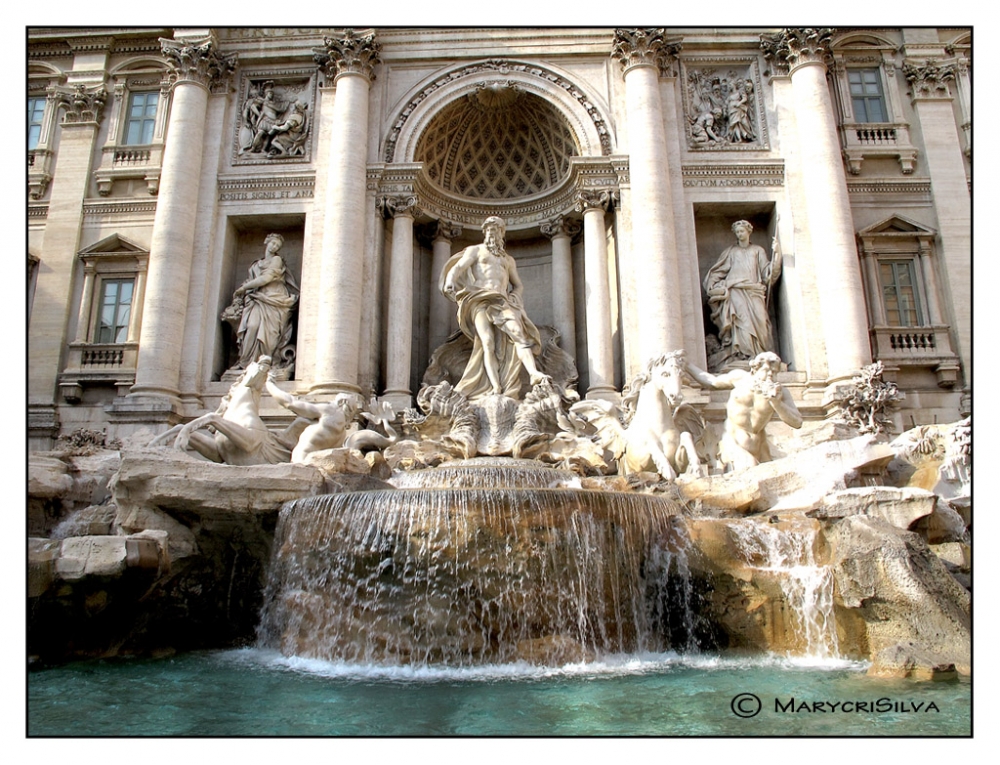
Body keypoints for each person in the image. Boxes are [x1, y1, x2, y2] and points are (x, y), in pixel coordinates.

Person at [440, 216, 551, 400]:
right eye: (489, 229)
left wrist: (514, 298)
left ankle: (533, 373)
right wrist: (450, 281)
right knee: (487, 342)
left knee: (519, 334)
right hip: (479, 300)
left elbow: (518, 285)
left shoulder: (507, 260)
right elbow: (459, 266)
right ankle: (496, 387)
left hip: (501, 301)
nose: (492, 232)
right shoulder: (476, 251)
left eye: (496, 229)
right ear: (485, 232)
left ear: (501, 233)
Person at [685, 351, 802, 471]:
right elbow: (711, 381)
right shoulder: (740, 378)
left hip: (760, 445)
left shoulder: (780, 392)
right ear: (755, 369)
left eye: (774, 372)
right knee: (751, 468)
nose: (770, 375)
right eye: (766, 371)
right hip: (733, 440)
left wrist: (777, 404)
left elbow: (797, 422)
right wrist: (686, 365)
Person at [703, 219, 781, 362]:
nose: (739, 234)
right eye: (737, 232)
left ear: (748, 232)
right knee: (741, 322)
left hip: (754, 291)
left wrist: (777, 255)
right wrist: (713, 284)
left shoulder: (758, 250)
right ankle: (743, 356)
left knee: (761, 322)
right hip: (736, 291)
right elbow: (718, 271)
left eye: (742, 231)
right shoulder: (731, 252)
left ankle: (759, 354)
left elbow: (767, 273)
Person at [227, 233, 299, 371]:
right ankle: (246, 362)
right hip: (257, 298)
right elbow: (252, 280)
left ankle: (265, 363)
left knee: (270, 333)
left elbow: (266, 278)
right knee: (252, 326)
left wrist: (244, 288)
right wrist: (245, 290)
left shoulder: (277, 260)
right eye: (273, 243)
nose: (275, 246)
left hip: (274, 299)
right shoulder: (256, 264)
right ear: (266, 242)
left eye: (278, 245)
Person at [265, 376, 359, 463]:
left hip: (301, 460)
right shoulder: (342, 434)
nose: (331, 402)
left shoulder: (330, 410)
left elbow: (290, 403)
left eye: (334, 401)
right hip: (312, 463)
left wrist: (270, 385)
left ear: (340, 402)